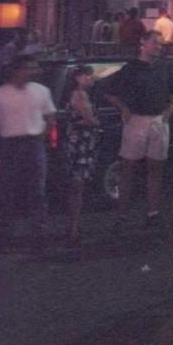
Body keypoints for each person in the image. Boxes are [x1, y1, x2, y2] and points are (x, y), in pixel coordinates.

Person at [102, 30, 173, 223]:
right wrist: (123, 108)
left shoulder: (164, 67)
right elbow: (107, 90)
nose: (159, 47)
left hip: (158, 120)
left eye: (160, 44)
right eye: (155, 43)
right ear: (143, 43)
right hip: (137, 119)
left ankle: (153, 212)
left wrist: (172, 107)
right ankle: (122, 213)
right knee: (128, 167)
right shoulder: (131, 68)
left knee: (156, 167)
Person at [0, 53, 56, 244]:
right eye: (29, 68)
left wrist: (44, 137)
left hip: (33, 144)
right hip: (9, 145)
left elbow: (49, 118)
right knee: (7, 189)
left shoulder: (42, 91)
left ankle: (39, 230)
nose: (34, 71)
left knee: (37, 190)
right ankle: (5, 231)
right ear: (17, 70)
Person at [64, 63, 101, 244]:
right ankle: (73, 227)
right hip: (80, 144)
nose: (91, 78)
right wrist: (96, 122)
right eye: (87, 75)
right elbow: (90, 120)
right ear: (78, 77)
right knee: (77, 185)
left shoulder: (83, 95)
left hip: (83, 143)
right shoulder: (79, 95)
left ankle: (74, 225)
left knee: (79, 185)